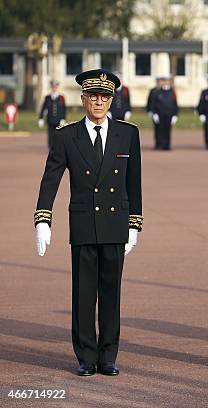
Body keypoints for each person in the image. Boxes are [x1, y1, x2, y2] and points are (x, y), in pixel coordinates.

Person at [33, 69, 143, 377]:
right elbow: (50, 178)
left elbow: (134, 181)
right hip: (83, 224)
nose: (99, 102)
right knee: (83, 294)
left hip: (115, 223)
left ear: (112, 100)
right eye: (93, 96)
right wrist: (43, 217)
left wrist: (135, 223)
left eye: (105, 97)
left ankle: (108, 355)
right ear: (83, 99)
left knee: (111, 292)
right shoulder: (67, 135)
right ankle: (85, 356)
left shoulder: (128, 133)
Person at [149, 75, 178, 150]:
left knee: (167, 130)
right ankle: (159, 144)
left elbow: (175, 104)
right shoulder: (157, 91)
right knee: (159, 130)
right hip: (159, 114)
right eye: (164, 81)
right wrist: (154, 113)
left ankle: (166, 145)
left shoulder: (172, 91)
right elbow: (153, 103)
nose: (166, 83)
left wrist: (175, 115)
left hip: (169, 114)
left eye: (167, 81)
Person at [38, 80, 67, 149]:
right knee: (50, 135)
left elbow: (64, 109)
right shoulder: (47, 97)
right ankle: (51, 148)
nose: (54, 88)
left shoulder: (61, 98)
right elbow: (43, 108)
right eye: (53, 87)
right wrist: (41, 118)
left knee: (58, 135)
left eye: (56, 87)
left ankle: (58, 148)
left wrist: (63, 118)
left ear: (57, 87)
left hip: (59, 120)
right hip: (50, 120)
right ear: (51, 87)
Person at [146, 77, 162, 149]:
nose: (159, 83)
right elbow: (150, 101)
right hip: (155, 113)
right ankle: (157, 144)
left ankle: (164, 144)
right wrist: (150, 111)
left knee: (164, 129)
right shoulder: (153, 91)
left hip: (163, 113)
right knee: (157, 129)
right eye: (158, 81)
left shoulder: (164, 90)